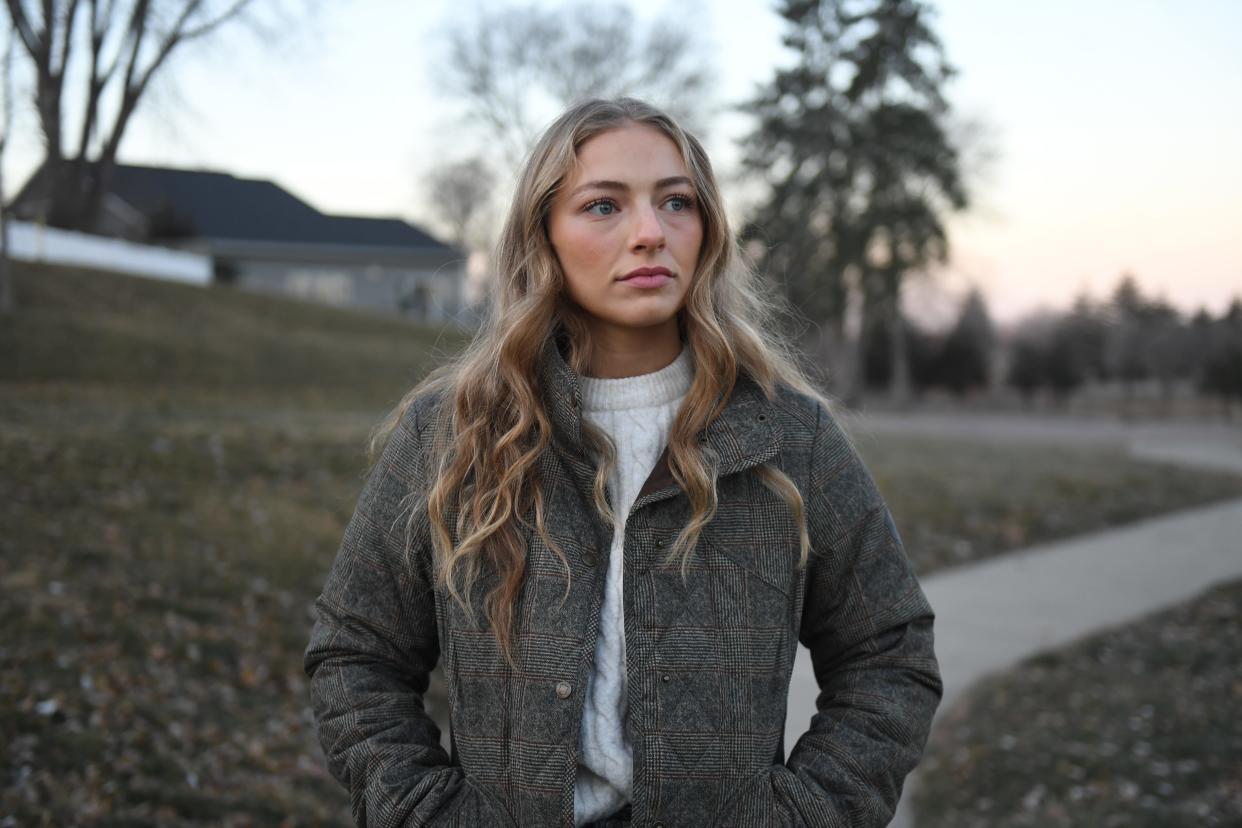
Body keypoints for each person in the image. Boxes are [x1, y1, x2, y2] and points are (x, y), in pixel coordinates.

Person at [304, 97, 941, 827]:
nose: (650, 233)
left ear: (708, 231)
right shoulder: (455, 435)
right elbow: (355, 655)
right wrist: (425, 810)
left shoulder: (788, 436)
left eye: (676, 202)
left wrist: (801, 815)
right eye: (603, 206)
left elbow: (889, 653)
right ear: (542, 234)